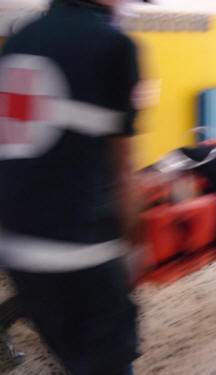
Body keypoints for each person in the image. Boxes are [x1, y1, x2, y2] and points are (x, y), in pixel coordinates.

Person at [0, 0, 142, 373]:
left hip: (18, 253)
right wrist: (136, 250)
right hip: (83, 258)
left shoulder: (18, 41)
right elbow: (123, 173)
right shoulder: (114, 45)